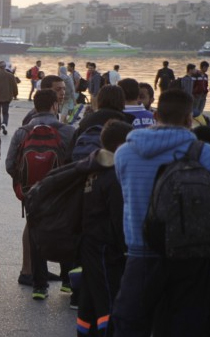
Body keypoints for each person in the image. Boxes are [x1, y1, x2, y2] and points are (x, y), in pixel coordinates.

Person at [112, 89, 210, 336]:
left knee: (131, 325)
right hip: (191, 255)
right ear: (189, 119)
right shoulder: (205, 153)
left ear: (155, 114)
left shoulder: (124, 152)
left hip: (140, 251)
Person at [6, 89, 75, 292]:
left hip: (32, 192)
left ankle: (39, 285)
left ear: (35, 106)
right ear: (55, 105)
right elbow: (74, 162)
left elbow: (10, 164)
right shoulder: (67, 131)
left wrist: (25, 184)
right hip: (60, 191)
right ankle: (67, 282)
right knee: (64, 230)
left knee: (36, 232)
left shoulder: (23, 132)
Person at [74, 120, 131, 337]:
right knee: (108, 301)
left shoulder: (93, 168)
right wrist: (126, 248)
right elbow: (118, 217)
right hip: (107, 248)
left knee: (88, 301)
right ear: (120, 146)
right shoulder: (114, 176)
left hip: (90, 243)